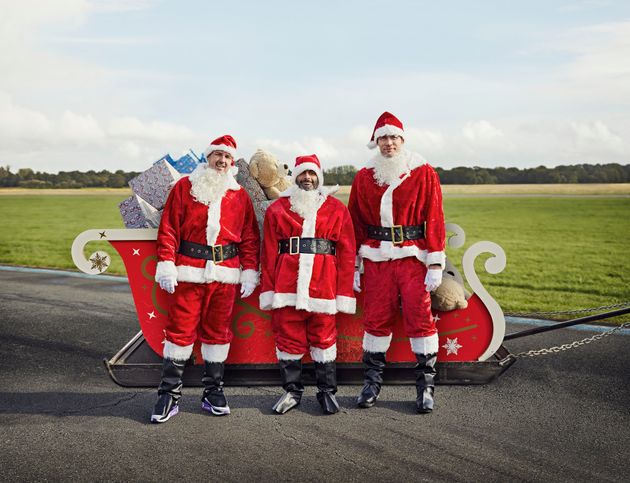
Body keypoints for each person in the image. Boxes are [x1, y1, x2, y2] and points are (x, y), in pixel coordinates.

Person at [150, 134, 260, 423]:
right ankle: (169, 394)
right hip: (189, 271)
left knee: (218, 333)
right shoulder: (185, 187)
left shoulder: (239, 195)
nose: (222, 161)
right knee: (180, 332)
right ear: (208, 157)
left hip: (225, 275)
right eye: (217, 156)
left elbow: (249, 237)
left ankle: (213, 392)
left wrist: (249, 272)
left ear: (232, 163)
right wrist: (167, 264)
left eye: (227, 157)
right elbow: (169, 229)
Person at [348, 112, 446, 413]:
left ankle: (425, 387)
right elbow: (354, 221)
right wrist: (354, 264)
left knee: (420, 318)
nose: (388, 143)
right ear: (375, 142)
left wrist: (434, 262)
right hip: (377, 257)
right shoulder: (365, 176)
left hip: (413, 256)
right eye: (383, 138)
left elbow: (435, 217)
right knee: (376, 319)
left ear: (402, 140)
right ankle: (372, 384)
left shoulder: (423, 172)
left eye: (393, 138)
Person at [259, 154, 356, 414]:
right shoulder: (277, 209)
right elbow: (268, 253)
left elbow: (347, 253)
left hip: (323, 286)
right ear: (295, 177)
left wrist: (344, 292)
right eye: (303, 174)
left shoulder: (337, 209)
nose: (307, 179)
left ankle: (327, 392)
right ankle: (292, 392)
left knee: (324, 339)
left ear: (319, 177)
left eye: (312, 174)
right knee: (288, 339)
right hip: (286, 286)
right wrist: (268, 290)